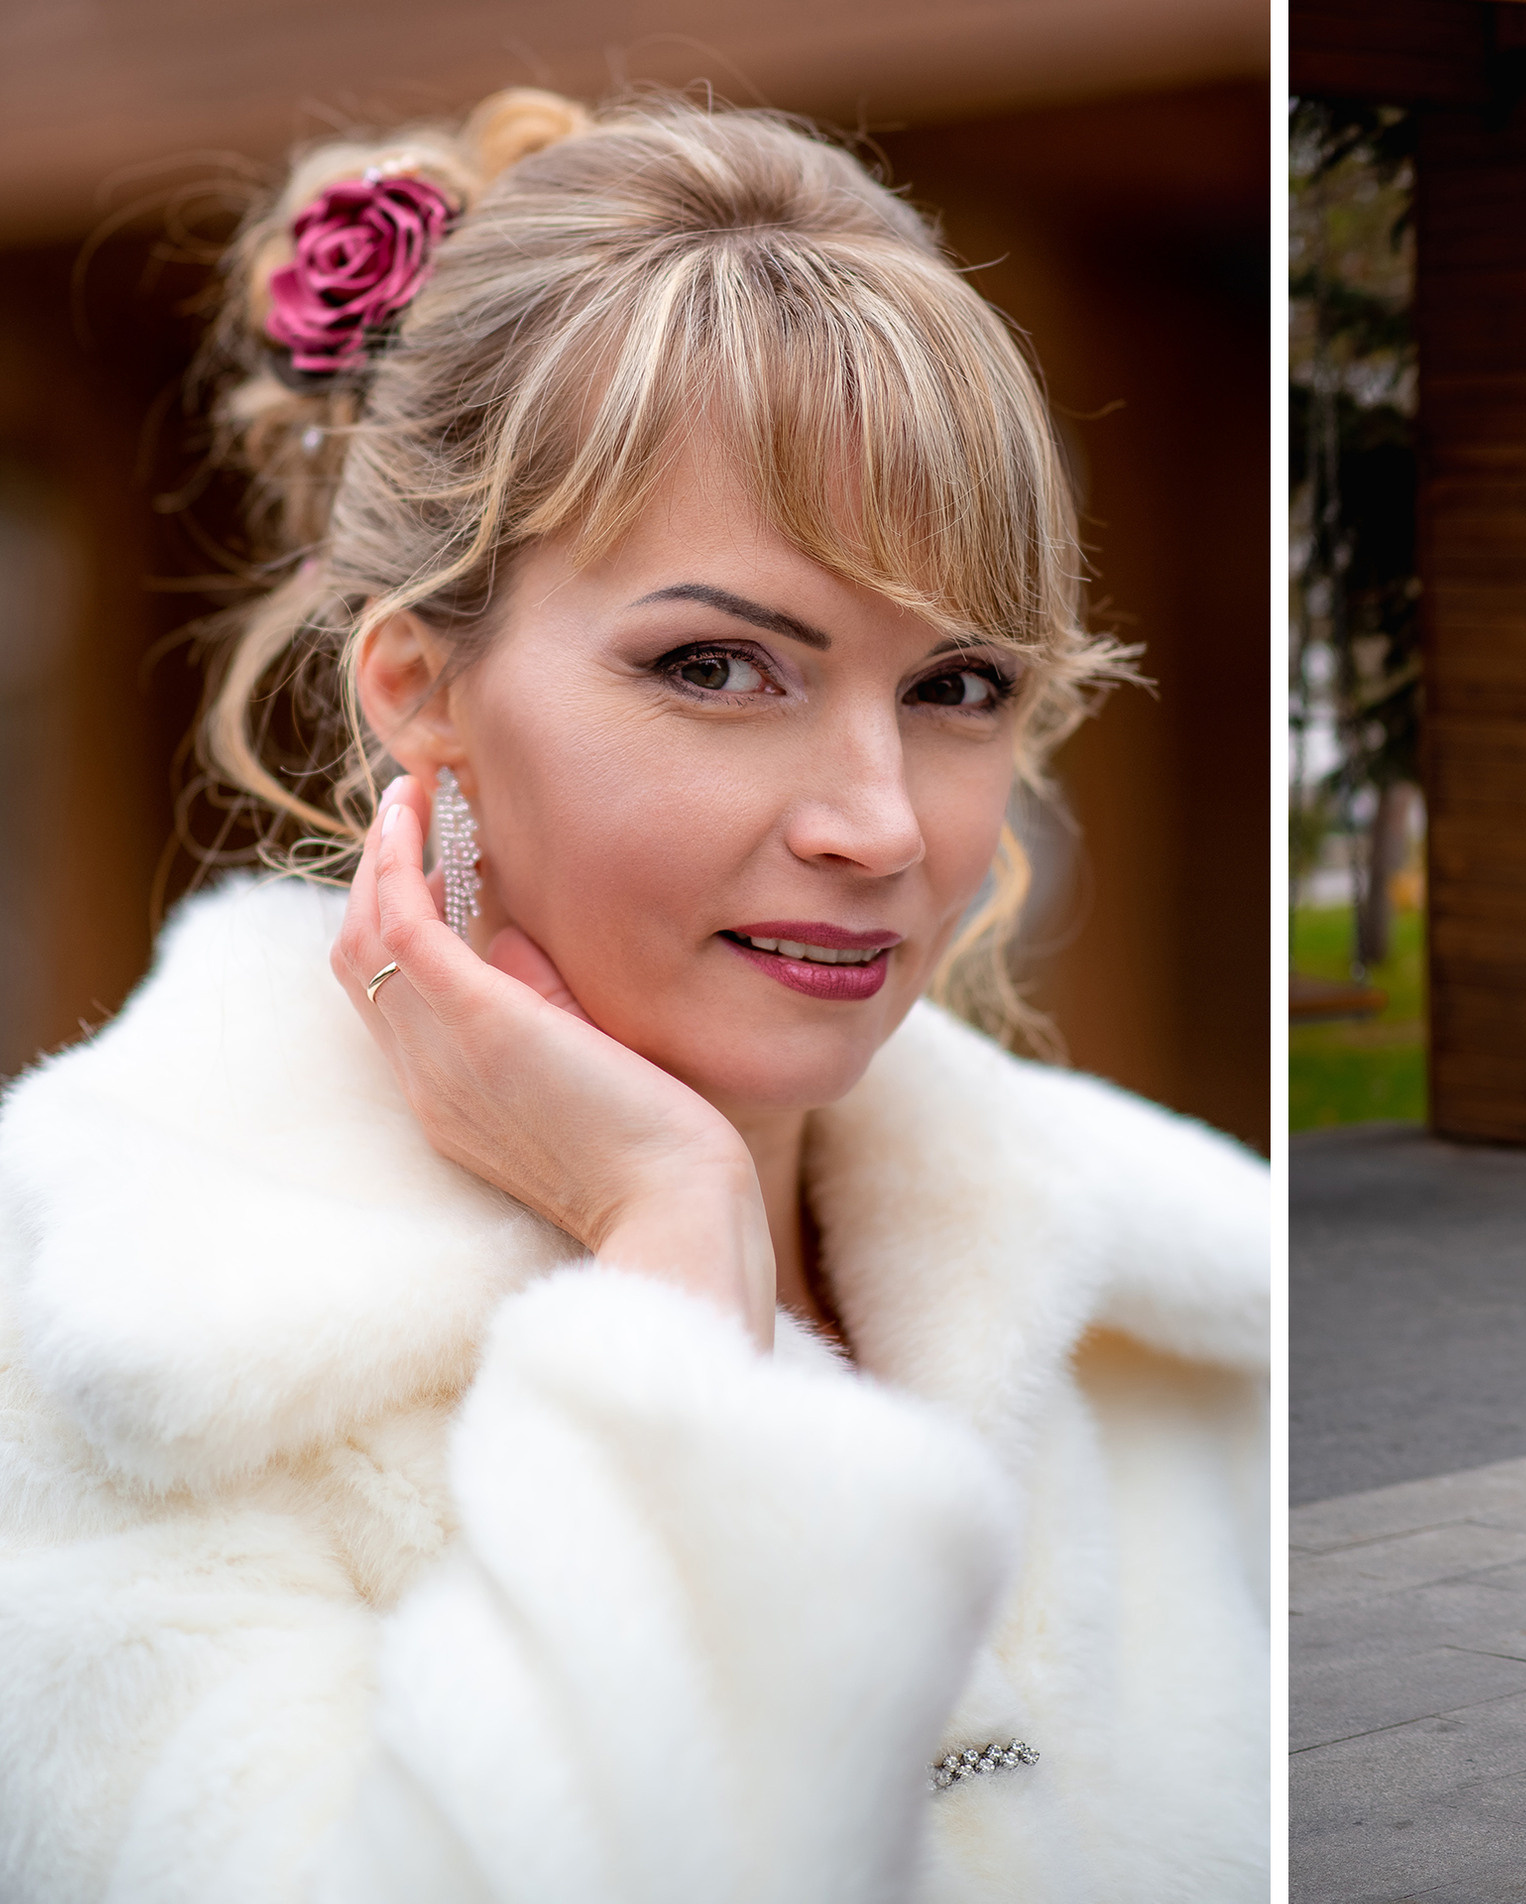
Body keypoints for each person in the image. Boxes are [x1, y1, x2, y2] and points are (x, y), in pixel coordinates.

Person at [0, 90, 1268, 1902]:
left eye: (960, 684)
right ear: (418, 689)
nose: (876, 822)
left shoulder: (1178, 1307)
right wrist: (670, 1266)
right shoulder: (107, 1335)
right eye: (719, 666)